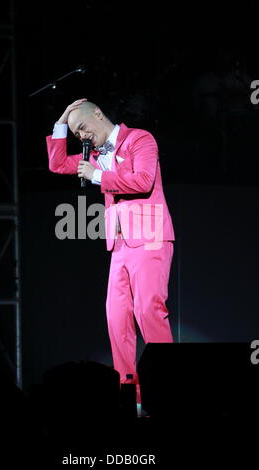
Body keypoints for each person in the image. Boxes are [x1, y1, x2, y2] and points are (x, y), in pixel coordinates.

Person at [46, 98, 175, 411]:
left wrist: (97, 176)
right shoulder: (97, 156)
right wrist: (62, 121)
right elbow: (57, 164)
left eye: (83, 129)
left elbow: (144, 181)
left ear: (99, 115)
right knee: (117, 320)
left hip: (149, 238)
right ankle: (129, 395)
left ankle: (171, 388)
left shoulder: (139, 139)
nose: (83, 137)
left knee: (148, 310)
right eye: (77, 134)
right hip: (119, 246)